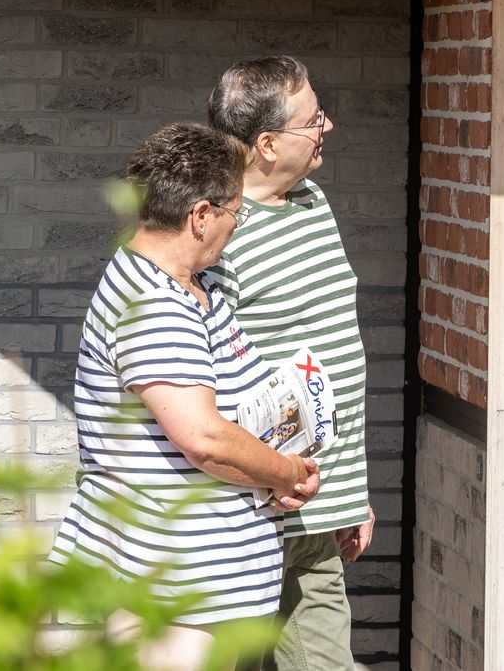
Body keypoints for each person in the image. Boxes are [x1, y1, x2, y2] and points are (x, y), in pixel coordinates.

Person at [47, 122, 322, 671]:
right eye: (234, 213)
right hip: (173, 589)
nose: (236, 226)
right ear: (201, 215)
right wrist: (285, 472)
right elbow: (204, 439)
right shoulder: (154, 304)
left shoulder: (198, 286)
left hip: (205, 583)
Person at [206, 56, 376, 671]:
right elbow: (213, 375)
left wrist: (353, 496)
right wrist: (266, 476)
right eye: (314, 119)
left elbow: (337, 355)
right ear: (268, 143)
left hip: (318, 499)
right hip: (259, 499)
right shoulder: (218, 229)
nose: (326, 126)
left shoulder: (311, 201)